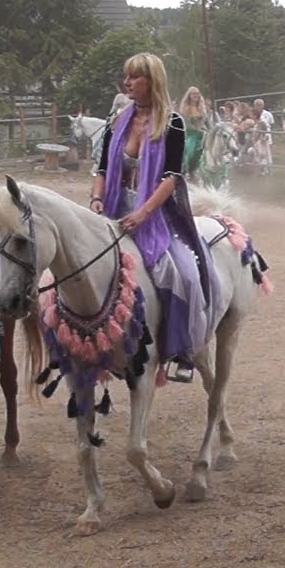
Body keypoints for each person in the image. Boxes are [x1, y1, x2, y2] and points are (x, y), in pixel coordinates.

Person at [91, 53, 217, 382]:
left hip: (157, 212)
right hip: (114, 209)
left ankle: (182, 350)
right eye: (126, 77)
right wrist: (96, 198)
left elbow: (172, 177)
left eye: (135, 77)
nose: (128, 83)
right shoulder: (117, 123)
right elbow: (102, 169)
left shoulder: (172, 123)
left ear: (152, 81)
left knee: (184, 274)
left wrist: (143, 213)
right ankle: (88, 345)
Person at [178, 86, 208, 181]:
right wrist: (197, 130)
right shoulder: (185, 108)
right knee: (191, 150)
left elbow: (206, 121)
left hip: (202, 132)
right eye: (193, 93)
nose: (196, 95)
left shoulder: (202, 107)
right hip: (190, 133)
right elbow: (187, 124)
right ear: (189, 95)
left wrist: (209, 129)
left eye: (197, 93)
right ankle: (188, 170)